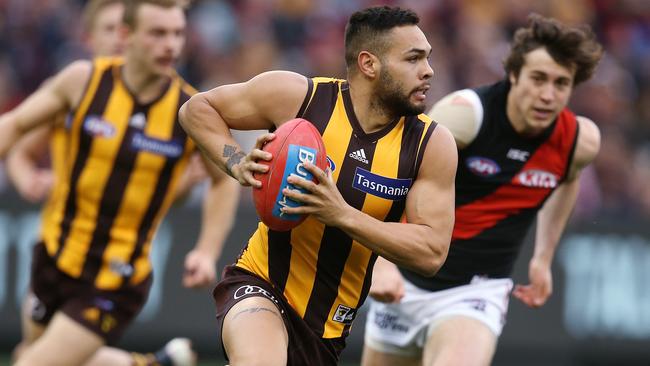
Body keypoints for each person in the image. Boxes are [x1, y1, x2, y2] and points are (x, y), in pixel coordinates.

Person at [179, 5, 457, 365]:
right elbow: (196, 110)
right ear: (369, 64)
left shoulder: (431, 145)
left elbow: (432, 252)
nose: (428, 71)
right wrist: (237, 161)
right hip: (260, 284)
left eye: (428, 59)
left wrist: (340, 214)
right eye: (413, 59)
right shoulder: (299, 97)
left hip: (327, 328)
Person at [0, 0, 240, 365]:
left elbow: (225, 179)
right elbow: (16, 126)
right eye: (159, 33)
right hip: (52, 257)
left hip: (115, 278)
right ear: (127, 36)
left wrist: (207, 250)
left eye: (177, 34)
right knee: (32, 353)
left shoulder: (191, 109)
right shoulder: (83, 81)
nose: (171, 45)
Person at [362, 13, 603, 366]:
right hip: (405, 280)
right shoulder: (465, 116)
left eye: (561, 83)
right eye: (538, 79)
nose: (548, 95)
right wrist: (380, 263)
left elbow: (568, 178)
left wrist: (543, 257)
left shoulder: (579, 141)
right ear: (514, 74)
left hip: (475, 290)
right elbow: (394, 174)